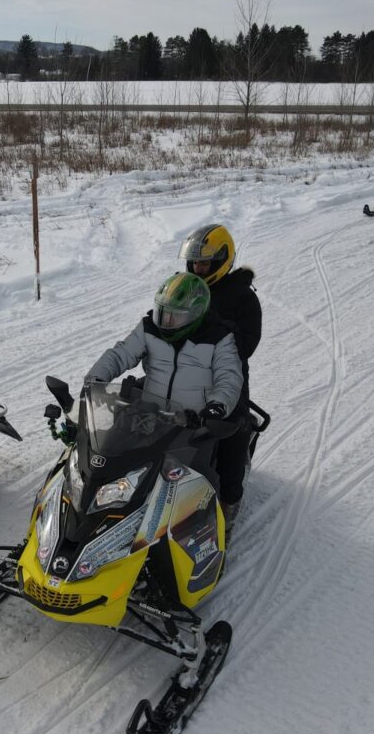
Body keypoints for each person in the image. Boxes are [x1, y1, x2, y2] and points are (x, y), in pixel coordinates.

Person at [84, 272, 244, 526]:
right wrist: (96, 379)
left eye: (175, 315)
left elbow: (229, 377)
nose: (166, 321)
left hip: (192, 423)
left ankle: (219, 516)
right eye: (163, 313)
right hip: (149, 413)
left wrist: (216, 406)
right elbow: (121, 354)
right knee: (114, 457)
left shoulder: (219, 338)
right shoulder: (150, 328)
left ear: (196, 314)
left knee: (190, 484)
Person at [178, 224, 261, 519]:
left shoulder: (243, 297)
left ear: (220, 261)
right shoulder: (184, 288)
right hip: (180, 368)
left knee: (231, 432)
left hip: (225, 376)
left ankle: (229, 500)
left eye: (204, 262)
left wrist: (215, 329)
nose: (198, 268)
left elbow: (247, 345)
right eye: (194, 262)